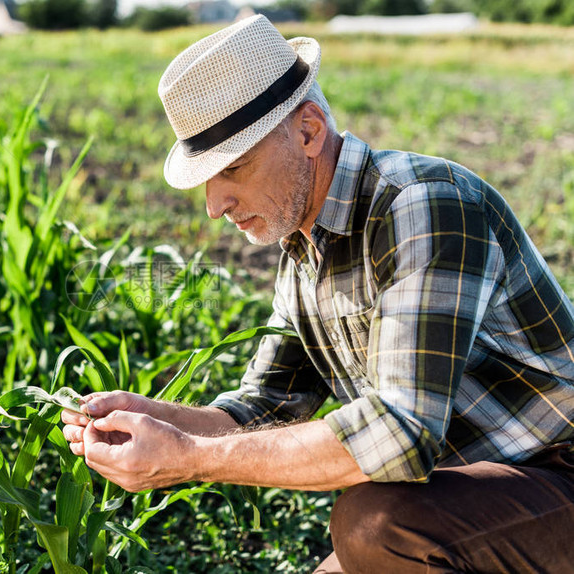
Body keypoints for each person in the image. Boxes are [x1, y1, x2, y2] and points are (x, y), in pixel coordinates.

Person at [62, 15, 574, 573]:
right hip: (479, 495)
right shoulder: (302, 248)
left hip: (558, 473)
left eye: (234, 167)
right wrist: (162, 423)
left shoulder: (422, 207)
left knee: (373, 526)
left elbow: (401, 434)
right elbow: (263, 409)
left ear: (307, 131)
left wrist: (189, 459)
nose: (215, 205)